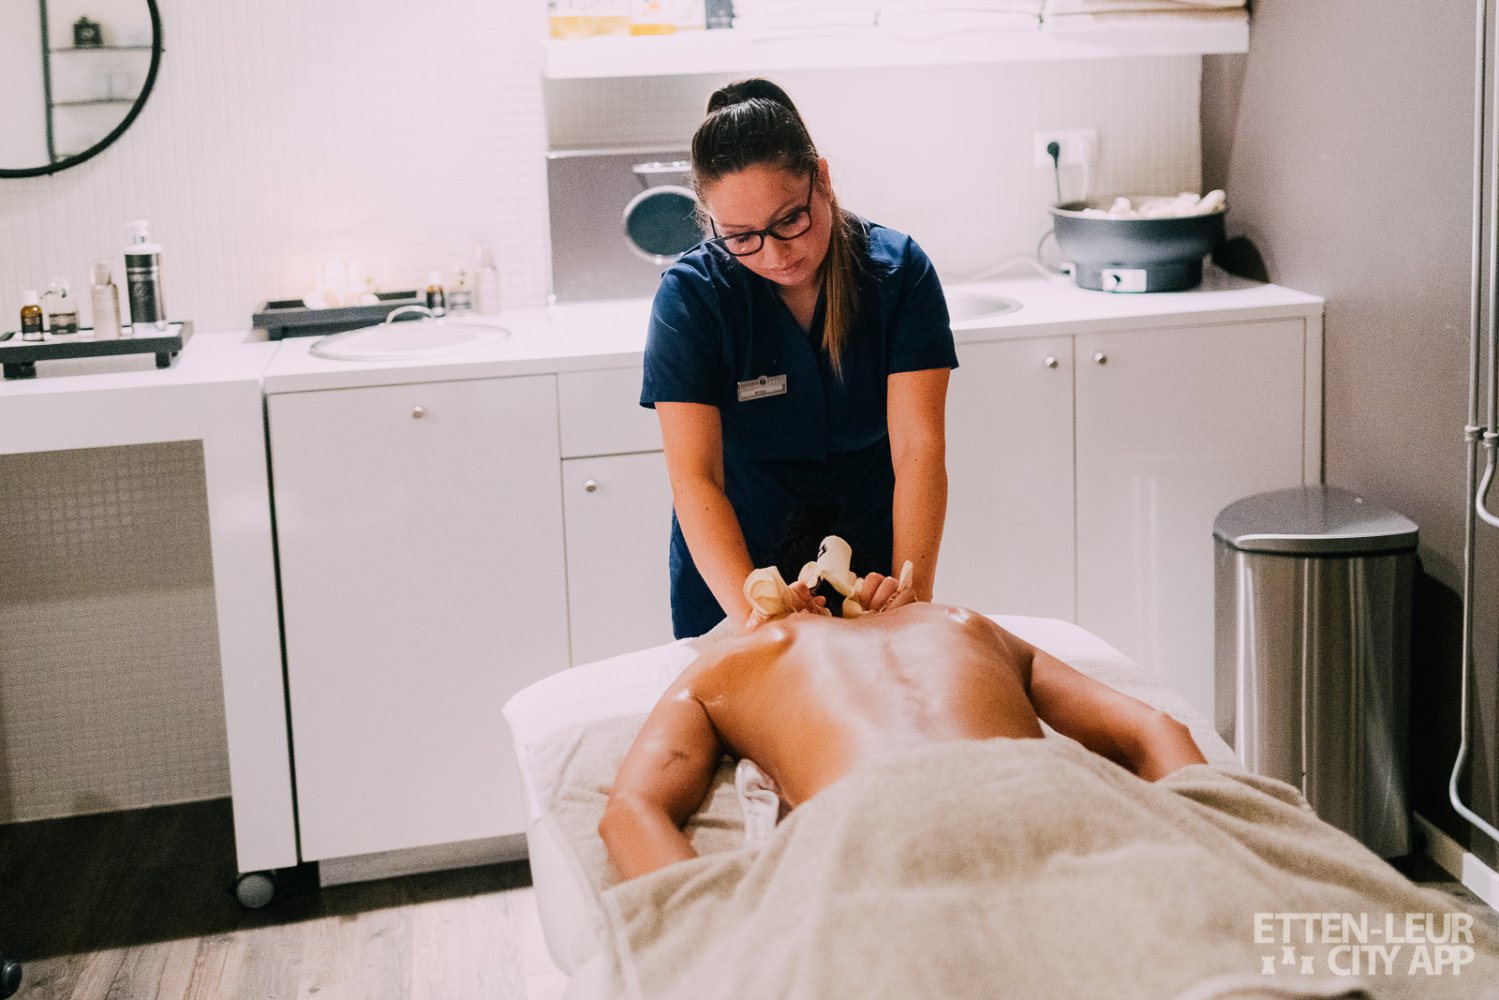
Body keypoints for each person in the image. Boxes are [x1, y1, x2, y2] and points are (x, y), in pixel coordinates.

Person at [598, 580, 1208, 881]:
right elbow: (1153, 728)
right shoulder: (960, 622)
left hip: (876, 825)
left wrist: (719, 934)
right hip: (1043, 798)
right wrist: (1218, 841)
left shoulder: (735, 659)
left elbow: (630, 811)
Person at [640, 78, 958, 639]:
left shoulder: (898, 275)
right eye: (741, 236)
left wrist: (909, 593)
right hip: (735, 575)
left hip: (869, 571)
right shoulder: (692, 299)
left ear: (823, 181)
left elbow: (918, 450)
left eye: (790, 220)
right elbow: (696, 477)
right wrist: (754, 615)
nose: (775, 253)